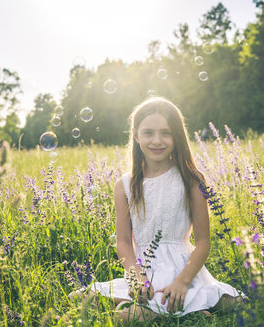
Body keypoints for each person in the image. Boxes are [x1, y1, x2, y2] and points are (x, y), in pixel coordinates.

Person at [70, 97, 242, 323]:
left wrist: (182, 282)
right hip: (144, 274)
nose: (157, 141)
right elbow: (122, 242)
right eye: (148, 132)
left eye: (166, 133)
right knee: (78, 297)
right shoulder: (124, 185)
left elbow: (203, 242)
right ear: (135, 134)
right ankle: (188, 313)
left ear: (177, 136)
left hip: (183, 273)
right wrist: (135, 277)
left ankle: (186, 308)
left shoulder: (191, 180)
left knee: (125, 316)